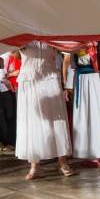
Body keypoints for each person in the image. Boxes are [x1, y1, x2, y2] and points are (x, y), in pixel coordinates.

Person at [15, 42, 74, 180]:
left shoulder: (49, 33)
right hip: (30, 80)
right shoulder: (23, 35)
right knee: (32, 120)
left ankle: (62, 162)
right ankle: (35, 165)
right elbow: (12, 51)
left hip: (49, 77)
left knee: (57, 121)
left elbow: (65, 46)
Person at [64, 47, 100, 168]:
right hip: (80, 80)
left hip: (95, 80)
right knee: (82, 116)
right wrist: (68, 87)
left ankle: (99, 152)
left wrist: (94, 56)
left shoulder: (99, 45)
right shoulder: (75, 47)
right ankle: (85, 152)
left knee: (96, 114)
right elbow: (73, 67)